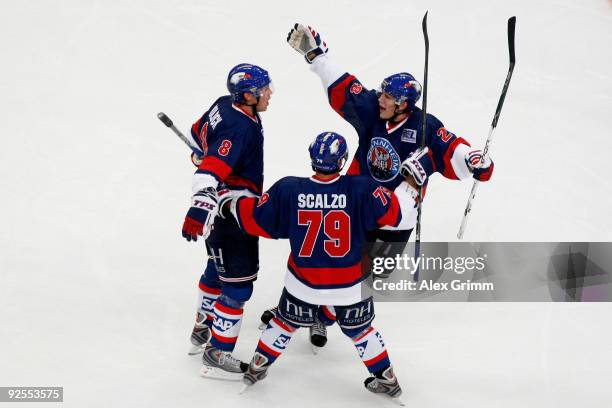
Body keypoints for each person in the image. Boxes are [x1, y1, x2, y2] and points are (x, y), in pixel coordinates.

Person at [225, 132, 416, 402]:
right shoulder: (362, 188)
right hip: (351, 285)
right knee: (361, 331)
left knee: (283, 323)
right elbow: (396, 213)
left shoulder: (289, 189)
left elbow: (256, 219)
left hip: (303, 284)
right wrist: (411, 185)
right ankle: (387, 378)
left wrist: (229, 202)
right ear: (342, 160)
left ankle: (257, 367)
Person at [181, 63, 273, 380]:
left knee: (215, 266)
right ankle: (218, 351)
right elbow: (208, 173)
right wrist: (199, 205)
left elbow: (198, 132)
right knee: (238, 286)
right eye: (264, 89)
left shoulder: (224, 103)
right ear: (248, 94)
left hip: (223, 212)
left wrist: (203, 153)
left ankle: (201, 326)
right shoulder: (240, 128)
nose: (270, 93)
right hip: (232, 214)